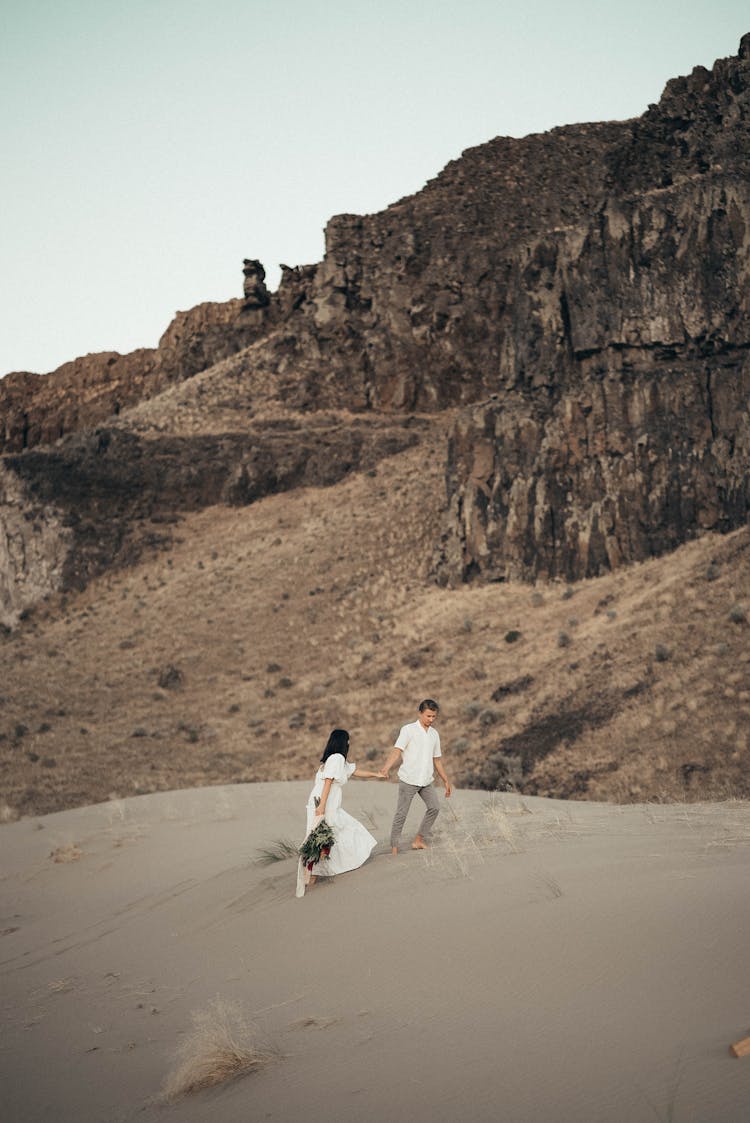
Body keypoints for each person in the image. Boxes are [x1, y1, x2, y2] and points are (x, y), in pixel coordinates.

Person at [297, 728, 383, 897]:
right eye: (348, 740)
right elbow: (328, 782)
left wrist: (376, 774)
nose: (349, 743)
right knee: (323, 836)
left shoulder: (336, 761)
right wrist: (321, 806)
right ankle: (312, 874)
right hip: (324, 802)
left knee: (327, 834)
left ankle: (315, 873)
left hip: (325, 802)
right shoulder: (337, 758)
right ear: (343, 742)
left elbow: (355, 771)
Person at [380, 699, 452, 854]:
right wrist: (386, 767)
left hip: (426, 780)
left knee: (434, 807)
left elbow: (437, 760)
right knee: (402, 813)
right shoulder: (408, 730)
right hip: (409, 780)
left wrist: (446, 780)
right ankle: (394, 847)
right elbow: (397, 750)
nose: (431, 720)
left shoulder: (434, 734)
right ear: (420, 713)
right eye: (428, 716)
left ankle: (418, 840)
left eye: (434, 717)